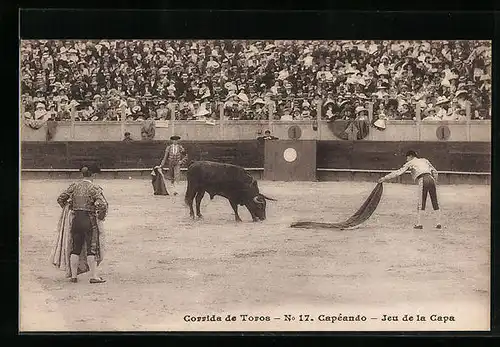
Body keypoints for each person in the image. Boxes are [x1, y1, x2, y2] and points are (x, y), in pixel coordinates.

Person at [55, 165, 108, 283]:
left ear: (82, 175)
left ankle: (74, 276)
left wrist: (69, 208)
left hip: (76, 220)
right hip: (89, 221)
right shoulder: (94, 188)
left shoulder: (74, 186)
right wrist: (100, 217)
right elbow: (103, 205)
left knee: (76, 248)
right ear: (93, 175)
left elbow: (60, 199)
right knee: (91, 248)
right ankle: (94, 276)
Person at [378, 150, 442, 230]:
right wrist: (434, 181)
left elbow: (398, 172)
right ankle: (438, 223)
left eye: (407, 157)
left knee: (421, 203)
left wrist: (385, 178)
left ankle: (419, 224)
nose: (406, 159)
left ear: (410, 156)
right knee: (434, 200)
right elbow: (435, 172)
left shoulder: (410, 163)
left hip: (422, 179)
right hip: (431, 179)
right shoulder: (425, 160)